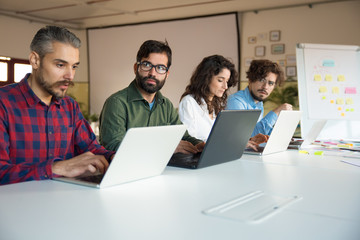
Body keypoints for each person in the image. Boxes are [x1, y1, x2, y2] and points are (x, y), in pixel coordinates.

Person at [0, 26, 114, 185]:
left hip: (65, 202)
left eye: (74, 66)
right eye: (60, 65)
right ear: (35, 60)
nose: (70, 76)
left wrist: (115, 157)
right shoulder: (3, 103)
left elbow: (92, 149)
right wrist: (57, 168)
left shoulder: (70, 106)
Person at [99, 40, 205, 154]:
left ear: (166, 74)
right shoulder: (117, 103)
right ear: (136, 68)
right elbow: (113, 146)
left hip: (162, 170)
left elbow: (183, 137)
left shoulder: (166, 105)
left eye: (160, 68)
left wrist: (202, 145)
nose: (153, 73)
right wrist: (165, 147)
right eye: (147, 65)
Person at [178, 55, 268, 148]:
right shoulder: (189, 102)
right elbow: (190, 141)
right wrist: (233, 144)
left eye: (227, 81)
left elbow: (223, 139)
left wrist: (247, 141)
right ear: (206, 78)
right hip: (198, 158)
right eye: (220, 80)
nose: (225, 86)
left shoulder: (218, 104)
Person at [226, 59, 293, 137]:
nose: (265, 87)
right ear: (250, 80)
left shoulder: (258, 103)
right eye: (261, 80)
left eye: (270, 83)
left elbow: (260, 133)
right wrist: (276, 112)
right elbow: (245, 137)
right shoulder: (236, 101)